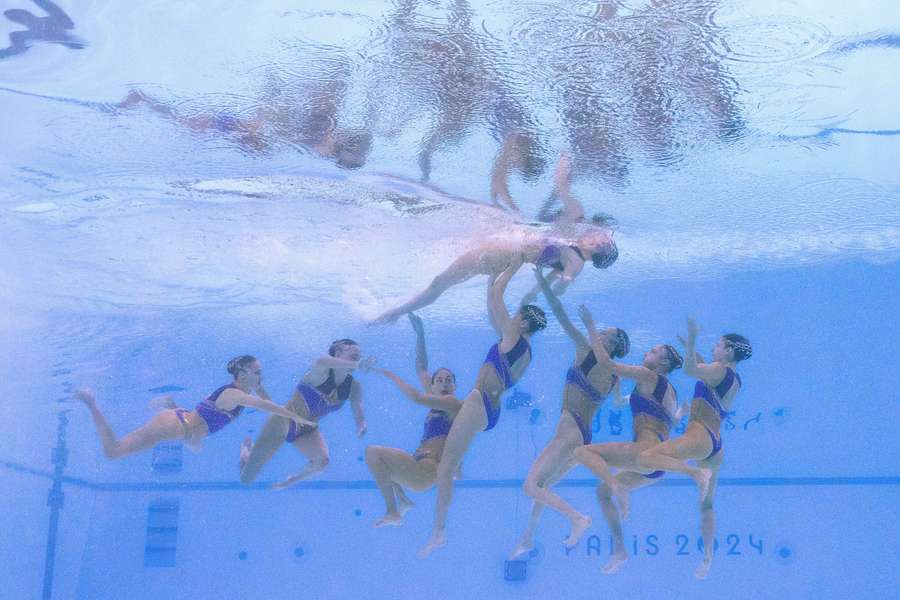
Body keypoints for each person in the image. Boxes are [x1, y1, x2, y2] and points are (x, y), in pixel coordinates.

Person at [419, 258, 547, 558]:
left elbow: (497, 297)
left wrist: (514, 262)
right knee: (454, 438)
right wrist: (491, 277)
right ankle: (459, 465)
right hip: (489, 409)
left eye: (517, 316)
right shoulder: (525, 350)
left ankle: (439, 531)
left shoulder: (513, 336)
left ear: (525, 322)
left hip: (480, 403)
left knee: (445, 468)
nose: (512, 318)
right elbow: (492, 309)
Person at [510, 274, 629, 559]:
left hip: (570, 429)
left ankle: (576, 518)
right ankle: (527, 538)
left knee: (531, 486)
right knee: (544, 487)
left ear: (611, 344)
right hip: (582, 437)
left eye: (606, 334)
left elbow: (561, 316)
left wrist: (543, 282)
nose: (600, 334)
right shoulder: (616, 375)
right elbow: (620, 402)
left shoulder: (587, 351)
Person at [634, 318, 751, 579]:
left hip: (699, 436)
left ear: (729, 352)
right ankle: (708, 558)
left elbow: (690, 370)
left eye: (718, 346)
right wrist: (691, 348)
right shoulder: (734, 379)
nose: (714, 349)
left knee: (646, 457)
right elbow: (702, 371)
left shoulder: (720, 370)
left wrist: (692, 336)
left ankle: (696, 474)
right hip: (715, 446)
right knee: (707, 505)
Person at [370, 213, 616, 325]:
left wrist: (565, 279)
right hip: (503, 256)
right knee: (441, 282)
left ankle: (395, 312)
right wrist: (534, 293)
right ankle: (397, 312)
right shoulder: (570, 249)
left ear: (599, 249)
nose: (596, 235)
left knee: (440, 282)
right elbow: (544, 289)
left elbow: (564, 282)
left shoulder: (576, 260)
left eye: (602, 239)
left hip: (500, 254)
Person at [572, 335, 683, 574]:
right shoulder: (670, 391)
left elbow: (608, 364)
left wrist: (593, 331)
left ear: (663, 364)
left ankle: (616, 485)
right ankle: (620, 550)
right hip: (657, 465)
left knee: (581, 452)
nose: (647, 353)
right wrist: (619, 383)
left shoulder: (648, 376)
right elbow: (626, 402)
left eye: (653, 351)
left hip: (644, 452)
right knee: (601, 493)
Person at [76, 355, 313, 459]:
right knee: (114, 451)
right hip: (175, 426)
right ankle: (90, 402)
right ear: (242, 374)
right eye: (257, 372)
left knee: (195, 445)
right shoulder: (234, 394)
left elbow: (266, 399)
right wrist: (296, 418)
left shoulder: (246, 388)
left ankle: (170, 405)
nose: (261, 375)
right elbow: (265, 405)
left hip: (186, 425)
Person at [366, 313, 463, 527]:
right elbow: (421, 368)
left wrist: (389, 374)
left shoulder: (454, 405)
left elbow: (416, 397)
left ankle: (393, 511)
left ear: (455, 386)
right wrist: (420, 333)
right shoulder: (436, 401)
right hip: (419, 462)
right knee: (383, 466)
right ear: (433, 386)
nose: (444, 383)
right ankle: (403, 501)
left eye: (449, 380)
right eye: (439, 380)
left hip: (426, 472)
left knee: (373, 453)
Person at [238, 339, 373, 489]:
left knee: (322, 462)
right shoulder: (320, 372)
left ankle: (291, 481)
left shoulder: (354, 386)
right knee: (246, 478)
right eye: (353, 355)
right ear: (337, 353)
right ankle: (246, 452)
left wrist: (361, 424)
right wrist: (357, 365)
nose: (358, 358)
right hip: (283, 422)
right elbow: (321, 360)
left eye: (359, 357)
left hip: (308, 430)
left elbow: (357, 408)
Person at [1, 0, 85, 59]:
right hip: (68, 41)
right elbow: (16, 49)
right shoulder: (24, 34)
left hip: (71, 40)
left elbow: (50, 7)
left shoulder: (57, 20)